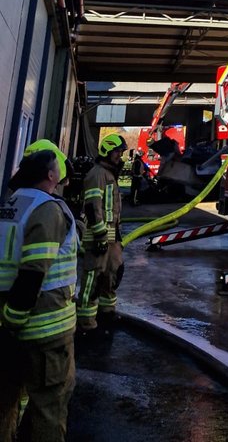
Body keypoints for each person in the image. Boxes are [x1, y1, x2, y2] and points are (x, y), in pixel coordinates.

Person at [0, 146, 78, 442]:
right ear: (50, 175)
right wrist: (14, 319)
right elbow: (33, 273)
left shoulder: (11, 204)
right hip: (44, 332)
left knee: (6, 402)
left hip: (8, 329)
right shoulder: (48, 210)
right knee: (49, 408)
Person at [76, 134, 126, 331]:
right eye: (117, 152)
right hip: (98, 237)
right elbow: (92, 206)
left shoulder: (110, 174)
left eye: (121, 153)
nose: (119, 156)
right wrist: (99, 235)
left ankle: (107, 312)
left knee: (113, 272)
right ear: (107, 151)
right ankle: (86, 321)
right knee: (93, 279)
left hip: (111, 236)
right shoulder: (97, 174)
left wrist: (116, 236)